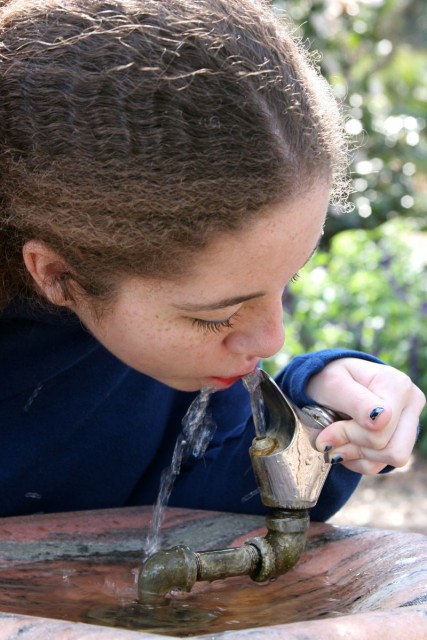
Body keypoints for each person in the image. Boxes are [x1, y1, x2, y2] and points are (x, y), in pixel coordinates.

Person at [0, 0, 424, 522]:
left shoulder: (155, 343)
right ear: (57, 274)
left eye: (287, 281)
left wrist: (317, 411)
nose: (273, 340)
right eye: (216, 315)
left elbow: (206, 502)